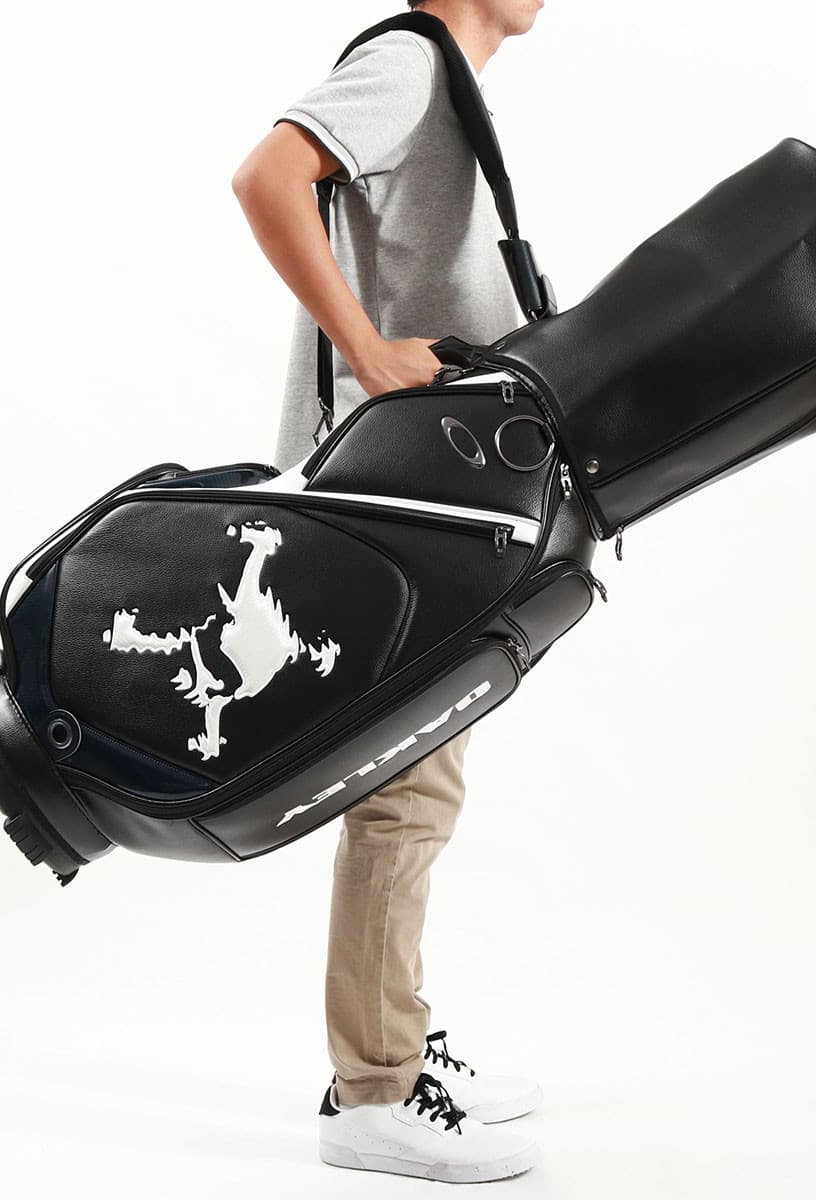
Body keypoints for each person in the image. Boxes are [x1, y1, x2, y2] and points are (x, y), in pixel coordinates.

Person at [231, 0, 546, 1182]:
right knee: (406, 791)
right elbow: (266, 175)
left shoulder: (439, 85)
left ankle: (395, 1044)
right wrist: (368, 353)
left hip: (423, 496)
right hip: (392, 496)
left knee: (424, 780)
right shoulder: (409, 64)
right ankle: (374, 1090)